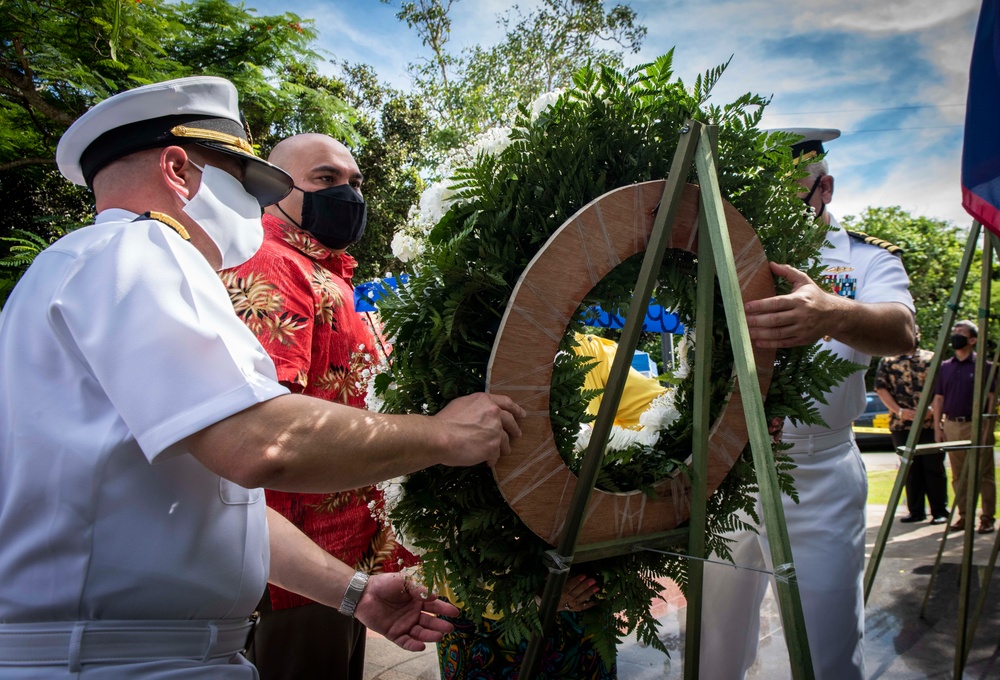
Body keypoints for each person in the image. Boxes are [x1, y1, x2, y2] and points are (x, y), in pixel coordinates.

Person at [0, 76, 523, 678]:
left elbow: (222, 498)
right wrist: (444, 435)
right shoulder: (138, 252)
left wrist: (353, 593)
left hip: (136, 651)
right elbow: (261, 445)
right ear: (178, 170)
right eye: (243, 180)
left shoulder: (89, 264)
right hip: (119, 658)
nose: (252, 205)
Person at [699, 128, 915, 679]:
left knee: (826, 655)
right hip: (732, 468)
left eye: (791, 193)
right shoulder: (729, 253)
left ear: (825, 188)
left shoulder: (865, 258)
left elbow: (903, 328)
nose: (777, 210)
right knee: (712, 653)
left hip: (817, 471)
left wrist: (833, 314)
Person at [219, 133, 418, 679]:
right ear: (276, 189)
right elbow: (267, 428)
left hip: (340, 559)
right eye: (325, 180)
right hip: (300, 567)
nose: (348, 194)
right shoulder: (272, 263)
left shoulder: (323, 270)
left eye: (354, 182)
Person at [876, 326, 949, 524]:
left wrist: (931, 411)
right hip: (901, 425)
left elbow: (941, 389)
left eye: (915, 333)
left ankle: (940, 510)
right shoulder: (888, 360)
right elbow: (881, 388)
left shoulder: (931, 359)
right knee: (909, 468)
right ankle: (916, 511)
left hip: (929, 425)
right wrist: (900, 411)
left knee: (933, 467)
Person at [931, 320, 996, 534]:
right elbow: (938, 399)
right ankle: (964, 516)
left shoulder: (984, 367)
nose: (956, 335)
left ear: (973, 340)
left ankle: (987, 518)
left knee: (983, 474)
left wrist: (987, 428)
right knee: (958, 476)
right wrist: (938, 428)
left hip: (976, 425)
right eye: (954, 331)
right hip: (952, 425)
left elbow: (991, 399)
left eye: (961, 332)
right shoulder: (945, 367)